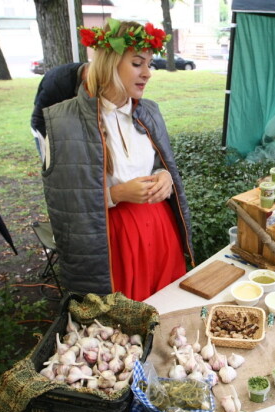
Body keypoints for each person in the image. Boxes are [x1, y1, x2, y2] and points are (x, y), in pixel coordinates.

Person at [42, 19, 194, 301]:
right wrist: (117, 193)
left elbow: (159, 163)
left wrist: (165, 177)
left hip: (160, 230)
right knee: (127, 323)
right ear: (110, 63)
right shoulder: (64, 122)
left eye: (149, 64)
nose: (148, 73)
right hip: (112, 241)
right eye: (138, 63)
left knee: (168, 309)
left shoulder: (149, 112)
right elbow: (65, 204)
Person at [31, 62, 87, 159]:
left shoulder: (94, 78)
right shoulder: (58, 81)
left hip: (73, 129)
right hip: (46, 127)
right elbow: (39, 119)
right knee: (55, 167)